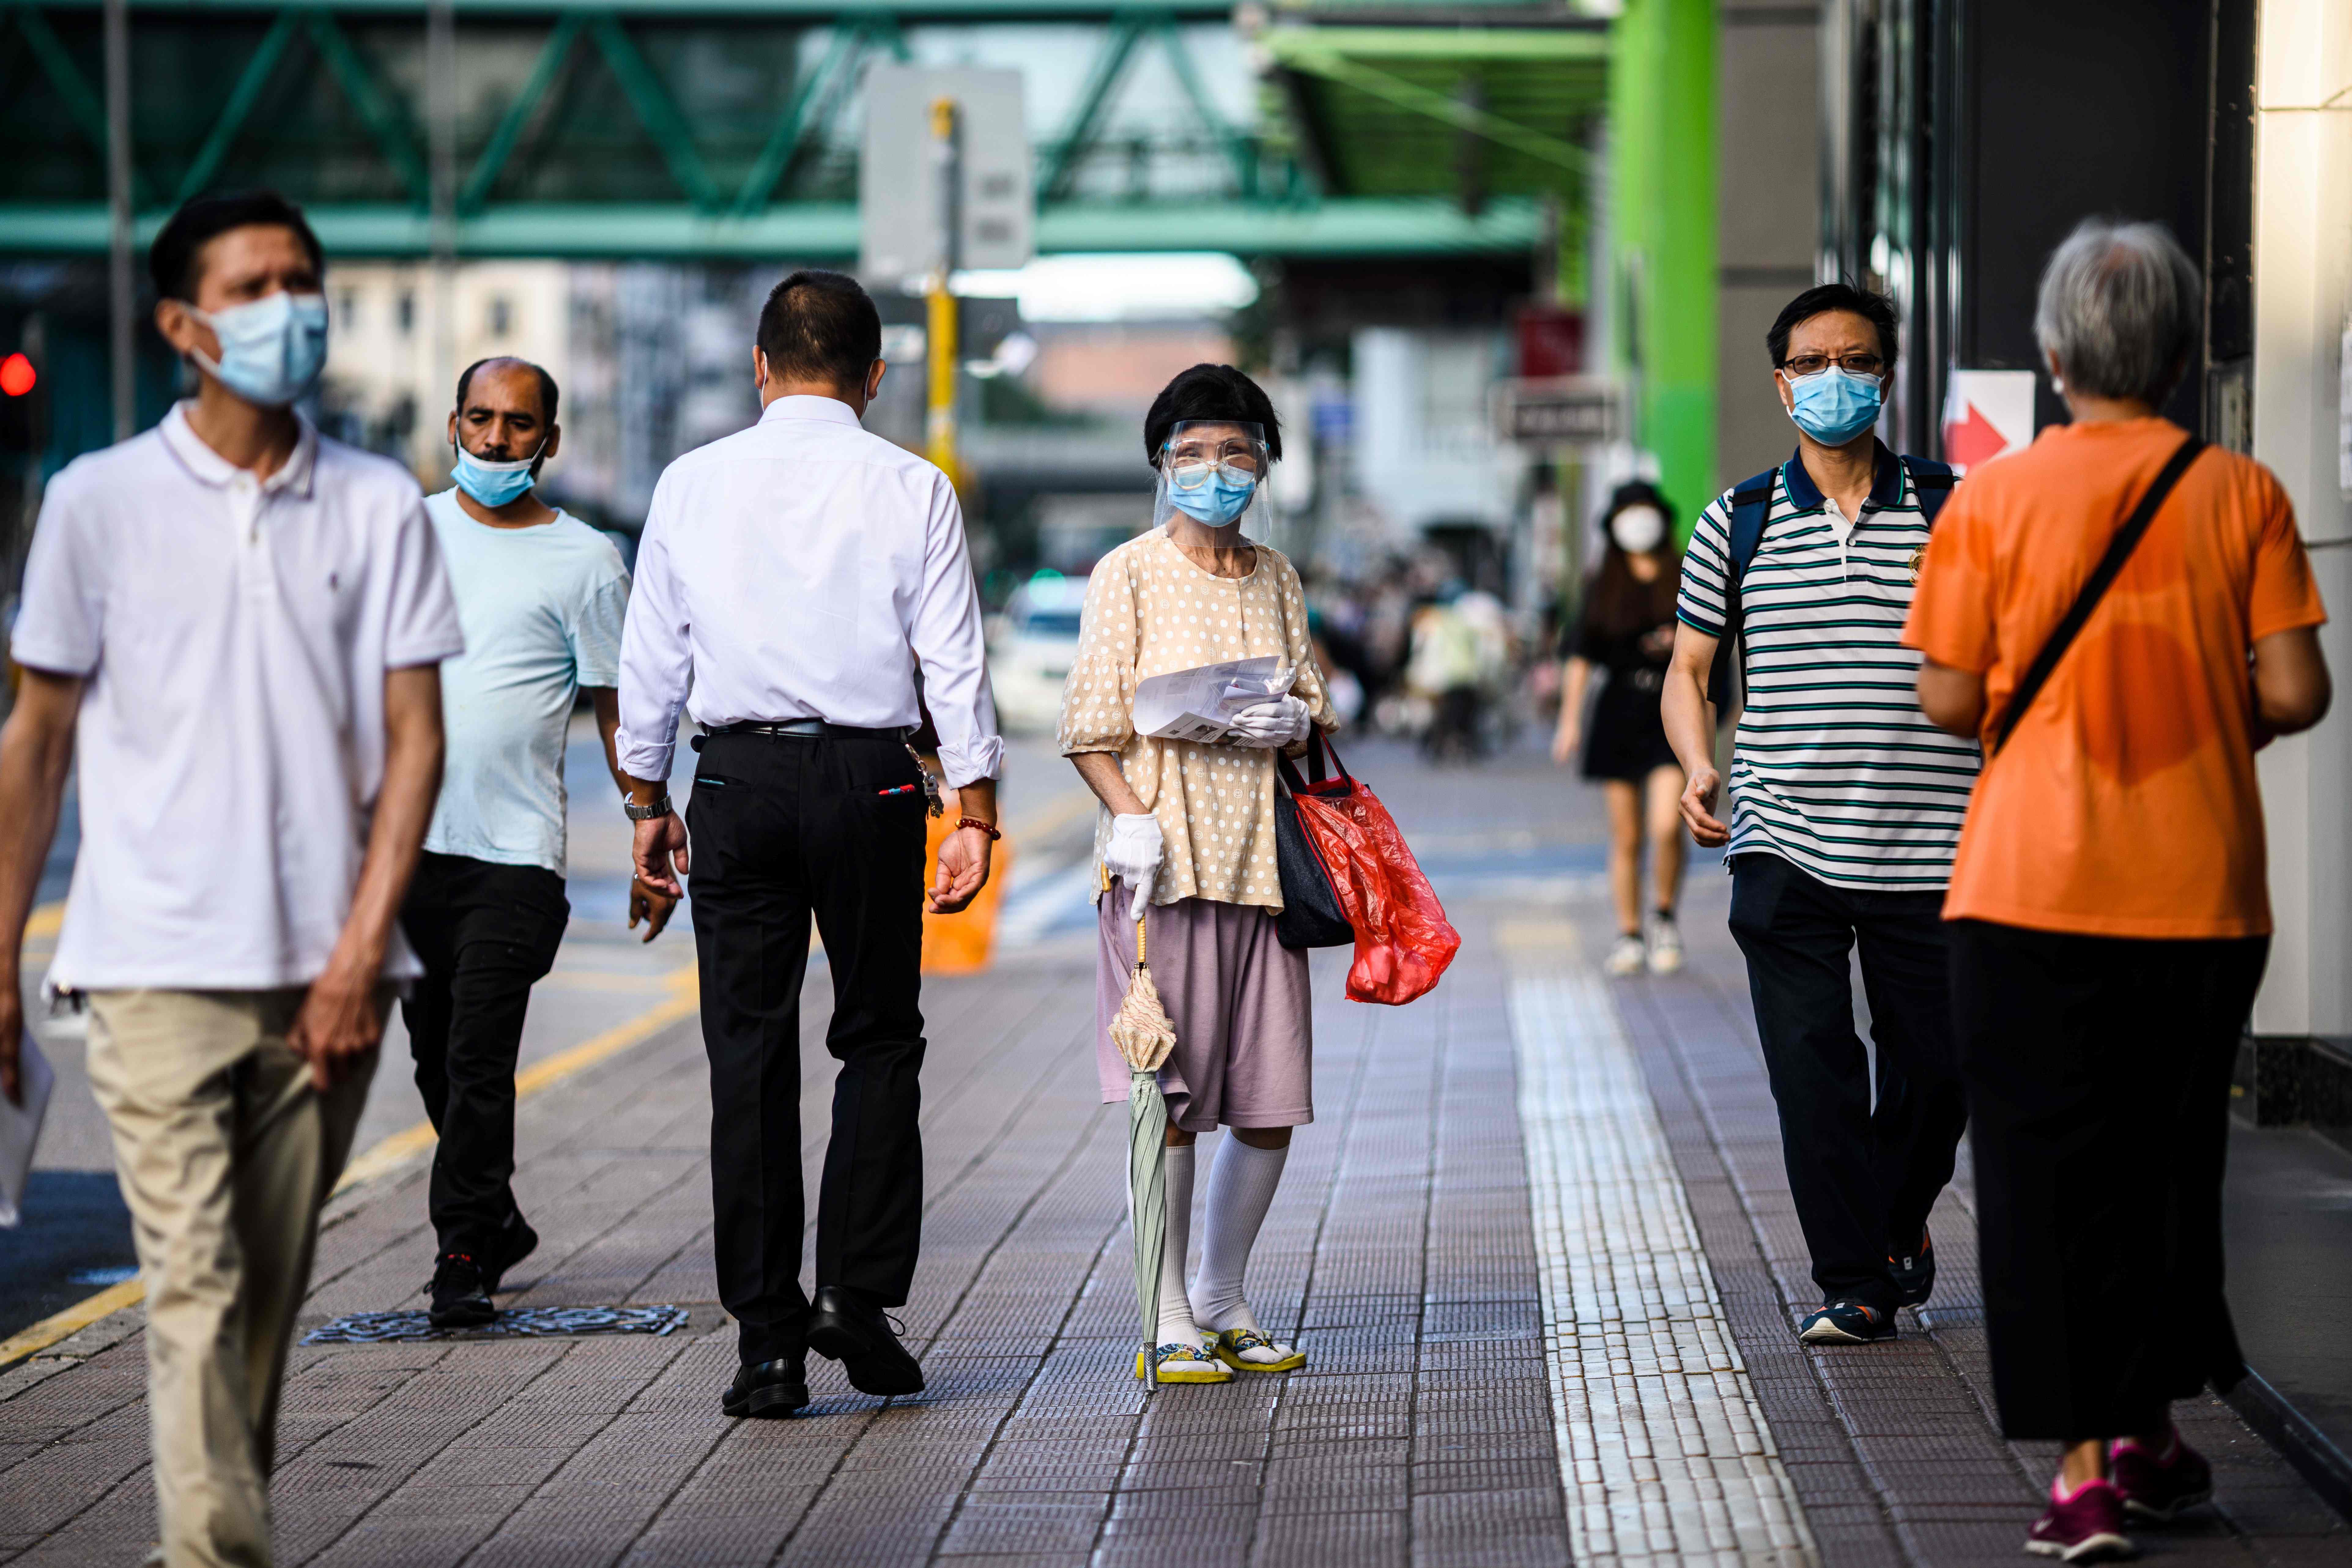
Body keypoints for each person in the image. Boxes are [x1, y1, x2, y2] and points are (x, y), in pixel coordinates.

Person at [0, 190, 460, 1567]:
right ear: (185, 325)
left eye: (302, 278)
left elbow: (414, 746)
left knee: (262, 1297)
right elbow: (35, 742)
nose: (290, 305)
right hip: (149, 971)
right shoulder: (97, 502)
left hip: (332, 979)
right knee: (193, 1281)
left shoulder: (379, 502)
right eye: (256, 283)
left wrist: (358, 959)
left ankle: (209, 1536)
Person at [1907, 219, 2330, 1562]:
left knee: (2043, 1175)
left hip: (2025, 889)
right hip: (2200, 894)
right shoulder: (2241, 492)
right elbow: (2296, 689)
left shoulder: (1990, 500)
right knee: (2164, 1166)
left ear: (2053, 353)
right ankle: (2146, 1428)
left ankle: (2090, 1470)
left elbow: (1950, 695)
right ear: (2184, 351)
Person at [616, 269, 1001, 1421]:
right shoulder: (912, 485)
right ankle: (857, 1293)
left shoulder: (690, 482)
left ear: (759, 365)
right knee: (878, 1034)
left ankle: (767, 1347)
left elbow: (652, 663)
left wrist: (649, 798)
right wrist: (974, 808)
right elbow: (955, 661)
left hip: (737, 779)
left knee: (749, 1053)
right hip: (873, 778)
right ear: (875, 377)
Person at [1660, 281, 1974, 1346]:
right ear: (1780, 378)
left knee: (1938, 1071)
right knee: (1813, 1076)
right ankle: (1856, 1277)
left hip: (1938, 843)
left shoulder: (1954, 505)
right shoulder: (1736, 518)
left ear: (1887, 374)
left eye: (1855, 358)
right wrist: (1699, 762)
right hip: (1783, 839)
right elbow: (1690, 665)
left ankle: (1892, 1223)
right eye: (1810, 361)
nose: (1832, 378)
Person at [1057, 363, 1338, 1385]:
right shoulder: (1127, 573)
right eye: (1191, 452)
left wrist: (1299, 718)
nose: (1214, 470)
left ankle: (1221, 1296)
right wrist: (1128, 818)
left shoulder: (1276, 576)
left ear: (1263, 462)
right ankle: (1166, 1310)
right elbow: (1088, 725)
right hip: (1159, 874)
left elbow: (1313, 694)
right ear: (1160, 463)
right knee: (1165, 1098)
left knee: (1267, 1101)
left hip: (1265, 871)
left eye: (1234, 451)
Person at [405, 355, 675, 1328]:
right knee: (434, 1057)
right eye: (479, 419)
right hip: (401, 850)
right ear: (452, 424)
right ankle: (500, 1216)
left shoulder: (587, 559)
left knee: (479, 1055)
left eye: (518, 425)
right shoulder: (407, 535)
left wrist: (650, 814)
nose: (495, 441)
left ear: (549, 441)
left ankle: (463, 1254)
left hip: (516, 855)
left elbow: (617, 706)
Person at [1552, 481, 1689, 976]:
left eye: (1645, 511)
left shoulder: (1684, 571)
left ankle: (1666, 915)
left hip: (1673, 713)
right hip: (1617, 715)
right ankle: (1630, 932)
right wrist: (1569, 722)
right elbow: (1581, 658)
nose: (1638, 521)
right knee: (1627, 836)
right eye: (1628, 511)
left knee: (1667, 825)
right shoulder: (1603, 581)